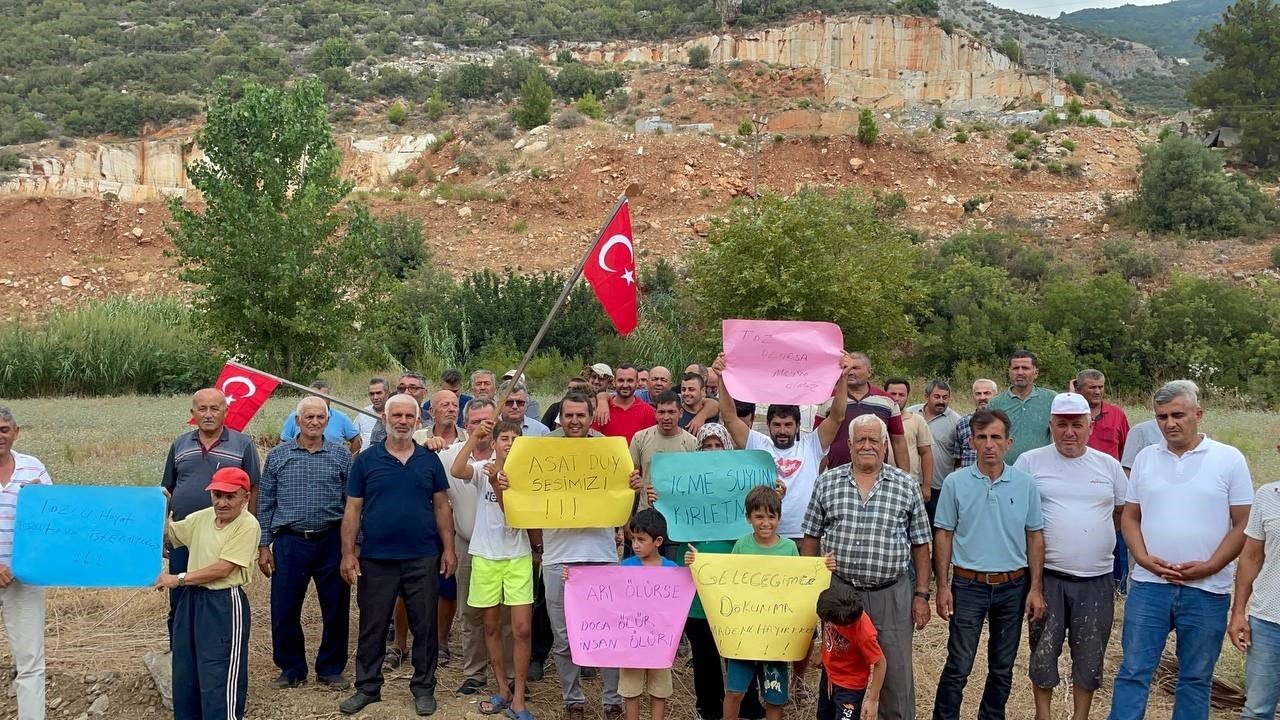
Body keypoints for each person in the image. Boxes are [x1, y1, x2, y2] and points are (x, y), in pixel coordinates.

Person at [1108, 380, 1253, 720]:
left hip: (1206, 590)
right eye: (1161, 417)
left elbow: (1243, 523)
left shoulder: (1228, 459)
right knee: (1133, 672)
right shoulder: (1146, 458)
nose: (1170, 423)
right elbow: (1130, 516)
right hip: (1149, 586)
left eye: (1178, 415)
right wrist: (1142, 558)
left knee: (1195, 678)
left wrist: (1211, 565)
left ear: (1198, 414)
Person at [802, 415, 932, 720]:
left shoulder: (906, 485)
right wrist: (813, 585)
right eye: (860, 439)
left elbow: (921, 544)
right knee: (840, 668)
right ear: (849, 445)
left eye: (874, 439)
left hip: (891, 593)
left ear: (885, 444)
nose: (867, 445)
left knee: (895, 671)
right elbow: (810, 536)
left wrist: (922, 594)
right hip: (841, 591)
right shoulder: (827, 482)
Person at [339, 393, 457, 717]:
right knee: (373, 625)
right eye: (397, 416)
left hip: (422, 556)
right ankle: (367, 687)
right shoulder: (366, 460)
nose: (403, 421)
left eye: (409, 416)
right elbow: (352, 510)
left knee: (425, 626)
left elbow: (442, 507)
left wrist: (448, 548)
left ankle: (423, 687)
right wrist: (348, 553)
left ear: (417, 421)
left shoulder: (428, 460)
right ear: (385, 419)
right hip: (377, 558)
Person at [1013, 393, 1126, 720]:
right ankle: (1043, 715)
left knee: (1090, 656)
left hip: (1096, 579)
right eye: (1061, 425)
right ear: (1051, 425)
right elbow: (1018, 517)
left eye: (1077, 424)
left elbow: (1121, 513)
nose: (1069, 432)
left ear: (1090, 426)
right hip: (1046, 578)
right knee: (1043, 652)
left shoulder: (1108, 466)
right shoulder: (1030, 462)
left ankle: (1080, 716)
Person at [932, 408, 1046, 720]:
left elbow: (1034, 536)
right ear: (971, 442)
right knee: (959, 665)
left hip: (1012, 586)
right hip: (968, 585)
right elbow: (943, 534)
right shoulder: (956, 483)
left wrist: (1035, 588)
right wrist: (943, 586)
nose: (989, 444)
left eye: (996, 437)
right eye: (982, 437)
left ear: (1009, 442)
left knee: (1002, 666)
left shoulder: (1024, 484)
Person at [689, 486, 833, 720]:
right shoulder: (741, 546)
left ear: (779, 517)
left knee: (774, 696)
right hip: (743, 637)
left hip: (776, 639)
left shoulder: (788, 548)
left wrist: (822, 567)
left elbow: (800, 586)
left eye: (771, 516)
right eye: (759, 516)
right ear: (748, 518)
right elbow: (727, 581)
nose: (765, 522)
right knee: (735, 692)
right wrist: (697, 561)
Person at [537, 391, 632, 720]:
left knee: (606, 631)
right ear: (560, 417)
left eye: (580, 415)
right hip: (557, 558)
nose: (574, 421)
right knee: (562, 635)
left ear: (591, 416)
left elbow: (621, 504)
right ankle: (572, 699)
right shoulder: (543, 450)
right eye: (568, 415)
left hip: (601, 555)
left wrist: (631, 485)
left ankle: (612, 700)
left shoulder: (609, 451)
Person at [257, 397, 353, 690]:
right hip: (290, 541)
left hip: (331, 539)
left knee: (336, 607)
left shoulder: (341, 456)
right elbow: (266, 502)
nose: (314, 422)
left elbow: (352, 504)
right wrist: (264, 545)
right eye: (308, 417)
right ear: (297, 421)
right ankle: (291, 668)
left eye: (319, 417)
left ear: (327, 420)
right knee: (284, 608)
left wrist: (353, 547)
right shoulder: (277, 456)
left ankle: (331, 667)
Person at [156, 466, 260, 720]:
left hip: (223, 604)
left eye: (230, 496)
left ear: (245, 498)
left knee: (218, 674)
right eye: (217, 495)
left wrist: (178, 579)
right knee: (186, 670)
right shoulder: (201, 518)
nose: (222, 503)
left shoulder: (248, 525)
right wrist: (160, 508)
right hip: (192, 601)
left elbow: (223, 569)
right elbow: (167, 536)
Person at [713, 351, 848, 543]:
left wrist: (842, 379)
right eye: (776, 425)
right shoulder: (757, 443)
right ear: (768, 426)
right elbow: (729, 417)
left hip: (805, 535)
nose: (782, 430)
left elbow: (837, 417)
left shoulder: (812, 445)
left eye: (788, 425)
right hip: (765, 535)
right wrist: (721, 378)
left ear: (798, 426)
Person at [452, 419, 535, 720]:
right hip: (485, 556)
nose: (509, 443)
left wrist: (501, 487)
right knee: (490, 626)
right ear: (496, 441)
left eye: (515, 438)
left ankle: (520, 697)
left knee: (522, 629)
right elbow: (457, 470)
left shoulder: (527, 473)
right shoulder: (482, 467)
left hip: (517, 556)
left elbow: (515, 519)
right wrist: (474, 438)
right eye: (503, 438)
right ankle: (502, 689)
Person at [162, 388, 261, 634]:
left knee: (217, 593)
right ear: (192, 413)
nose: (208, 414)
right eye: (202, 409)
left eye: (214, 408)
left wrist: (251, 532)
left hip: (224, 537)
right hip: (184, 536)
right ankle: (180, 653)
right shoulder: (180, 444)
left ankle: (216, 649)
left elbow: (255, 489)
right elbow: (167, 490)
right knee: (180, 595)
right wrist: (163, 532)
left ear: (226, 411)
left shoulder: (243, 445)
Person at [439, 399, 506, 697]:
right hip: (467, 542)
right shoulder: (450, 454)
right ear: (466, 426)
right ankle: (474, 672)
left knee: (505, 613)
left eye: (488, 421)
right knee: (470, 611)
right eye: (476, 421)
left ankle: (507, 674)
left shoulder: (508, 454)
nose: (483, 426)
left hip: (505, 545)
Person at [0, 406, 50, 720]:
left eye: (4, 430)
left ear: (16, 432)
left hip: (24, 579)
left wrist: (41, 499)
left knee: (30, 661)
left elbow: (55, 522)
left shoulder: (33, 468)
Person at [612, 509, 679, 720]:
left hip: (660, 642)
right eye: (633, 539)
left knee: (659, 691)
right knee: (631, 691)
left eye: (642, 539)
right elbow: (605, 592)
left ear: (658, 541)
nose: (636, 544)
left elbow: (681, 600)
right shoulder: (625, 567)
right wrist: (573, 577)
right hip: (631, 642)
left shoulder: (673, 570)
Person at [1075, 369, 1133, 598]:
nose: (1098, 391)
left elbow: (1125, 450)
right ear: (1079, 389)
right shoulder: (1069, 415)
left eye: (1101, 386)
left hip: (1108, 485)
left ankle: (1119, 587)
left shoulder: (1117, 414)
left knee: (1117, 536)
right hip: (1077, 484)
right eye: (1092, 387)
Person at [1229, 470, 1280, 720]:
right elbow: (1251, 556)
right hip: (1269, 620)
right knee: (1257, 710)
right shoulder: (1267, 495)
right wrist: (1238, 611)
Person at [818, 353, 908, 473]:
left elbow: (898, 441)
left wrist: (906, 476)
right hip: (836, 474)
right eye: (846, 368)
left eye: (855, 368)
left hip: (876, 474)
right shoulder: (827, 400)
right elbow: (818, 443)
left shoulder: (887, 401)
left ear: (870, 372)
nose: (849, 372)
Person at [817, 584, 887, 720]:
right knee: (823, 715)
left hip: (850, 687)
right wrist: (823, 651)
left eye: (829, 622)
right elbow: (826, 628)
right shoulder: (831, 609)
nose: (827, 623)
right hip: (829, 675)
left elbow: (881, 664)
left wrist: (872, 700)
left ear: (846, 624)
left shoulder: (864, 634)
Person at [629, 391, 697, 511]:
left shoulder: (692, 443)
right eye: (661, 412)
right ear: (655, 414)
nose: (666, 417)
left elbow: (696, 483)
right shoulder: (640, 438)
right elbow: (631, 477)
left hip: (679, 512)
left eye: (671, 412)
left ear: (680, 413)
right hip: (646, 512)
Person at [906, 380, 961, 522]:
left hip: (939, 487)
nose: (941, 401)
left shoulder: (956, 421)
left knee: (937, 528)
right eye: (937, 397)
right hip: (912, 482)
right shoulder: (911, 414)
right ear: (926, 397)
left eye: (945, 397)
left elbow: (959, 457)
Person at [988, 351, 1054, 463]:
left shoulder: (1051, 399)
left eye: (1025, 368)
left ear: (1036, 372)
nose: (1020, 372)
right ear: (1009, 372)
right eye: (1015, 368)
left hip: (1041, 468)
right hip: (1006, 470)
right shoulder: (996, 403)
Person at [884, 378, 934, 502]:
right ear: (884, 394)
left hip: (909, 483)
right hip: (881, 482)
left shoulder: (917, 420)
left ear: (907, 396)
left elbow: (926, 453)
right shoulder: (876, 420)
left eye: (901, 395)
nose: (897, 398)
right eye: (892, 394)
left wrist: (926, 486)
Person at [280, 380, 362, 453]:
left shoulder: (342, 418)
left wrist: (349, 460)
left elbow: (357, 440)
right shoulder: (295, 417)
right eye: (315, 396)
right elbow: (284, 443)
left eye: (324, 397)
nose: (319, 400)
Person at [593, 364, 657, 443]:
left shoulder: (648, 412)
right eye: (621, 380)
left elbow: (650, 444)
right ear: (614, 382)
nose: (625, 385)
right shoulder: (601, 409)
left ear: (637, 383)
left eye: (630, 380)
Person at [948, 380, 998, 471]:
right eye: (978, 394)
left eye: (987, 393)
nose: (982, 397)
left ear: (996, 395)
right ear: (973, 396)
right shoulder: (963, 423)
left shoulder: (1004, 422)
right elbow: (957, 459)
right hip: (968, 481)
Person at [358, 378, 390, 450]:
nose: (375, 397)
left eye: (379, 393)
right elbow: (356, 438)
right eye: (372, 394)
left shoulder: (397, 414)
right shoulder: (363, 413)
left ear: (387, 393)